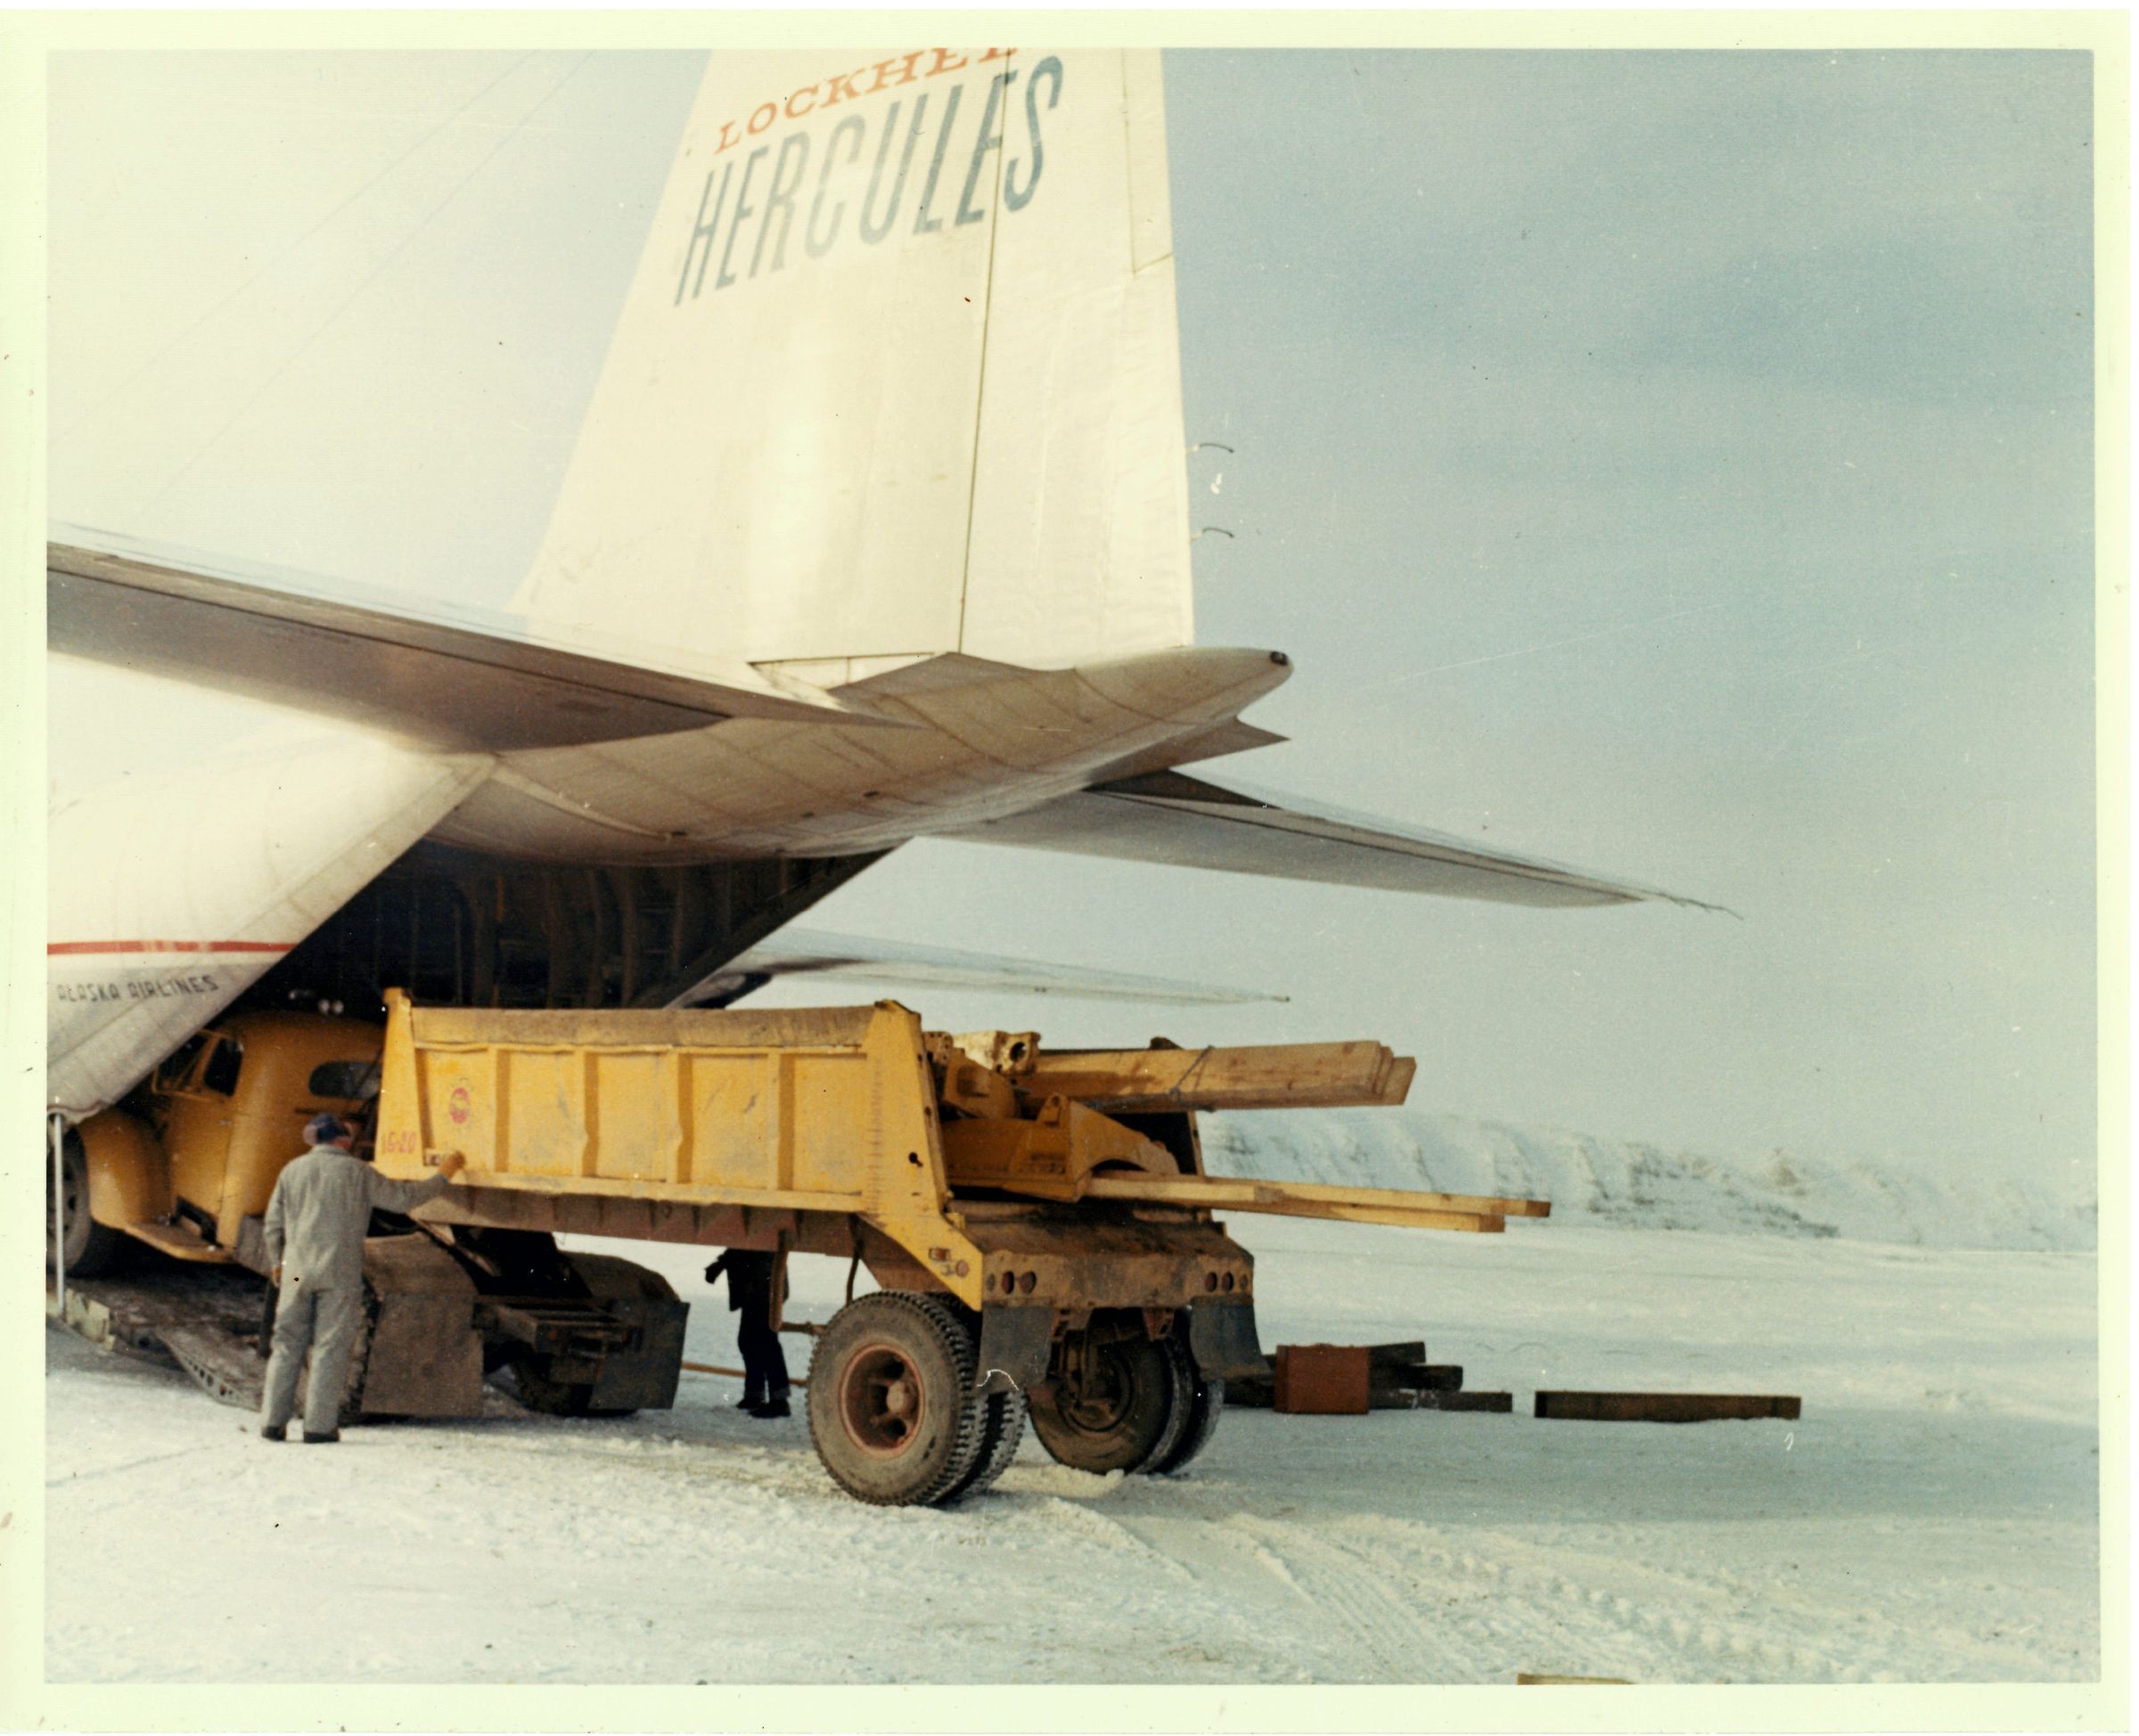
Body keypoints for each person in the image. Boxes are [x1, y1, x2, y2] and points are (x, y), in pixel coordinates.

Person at [258, 1112, 464, 1443]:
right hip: (337, 1271)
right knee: (329, 1347)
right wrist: (443, 1175)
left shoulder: (292, 1170)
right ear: (343, 1140)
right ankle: (318, 1427)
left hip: (295, 1273)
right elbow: (404, 1199)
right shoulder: (358, 1172)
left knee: (286, 1343)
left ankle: (272, 1423)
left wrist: (276, 1262)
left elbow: (273, 1224)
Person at [703, 1249, 791, 1418]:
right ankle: (755, 1395)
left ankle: (779, 1401)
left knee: (766, 1344)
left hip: (764, 1290)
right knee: (749, 1342)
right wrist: (720, 1264)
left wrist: (721, 1264)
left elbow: (747, 1248)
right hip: (755, 1290)